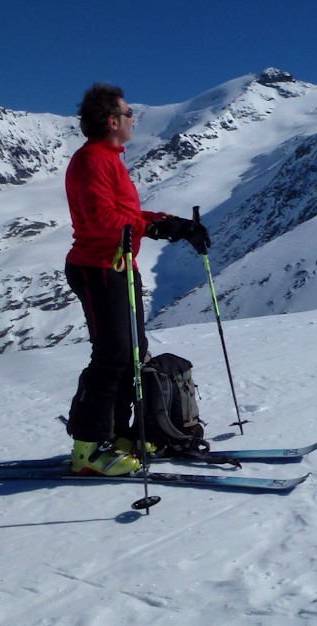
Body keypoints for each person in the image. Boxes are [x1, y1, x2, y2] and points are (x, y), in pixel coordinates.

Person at [64, 83, 211, 475]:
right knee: (112, 356)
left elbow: (125, 216)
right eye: (129, 114)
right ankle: (89, 449)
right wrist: (153, 229)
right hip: (97, 269)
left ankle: (115, 434)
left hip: (118, 267)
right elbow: (102, 221)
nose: (133, 119)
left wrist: (169, 224)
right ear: (112, 121)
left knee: (131, 352)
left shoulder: (109, 157)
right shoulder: (92, 160)